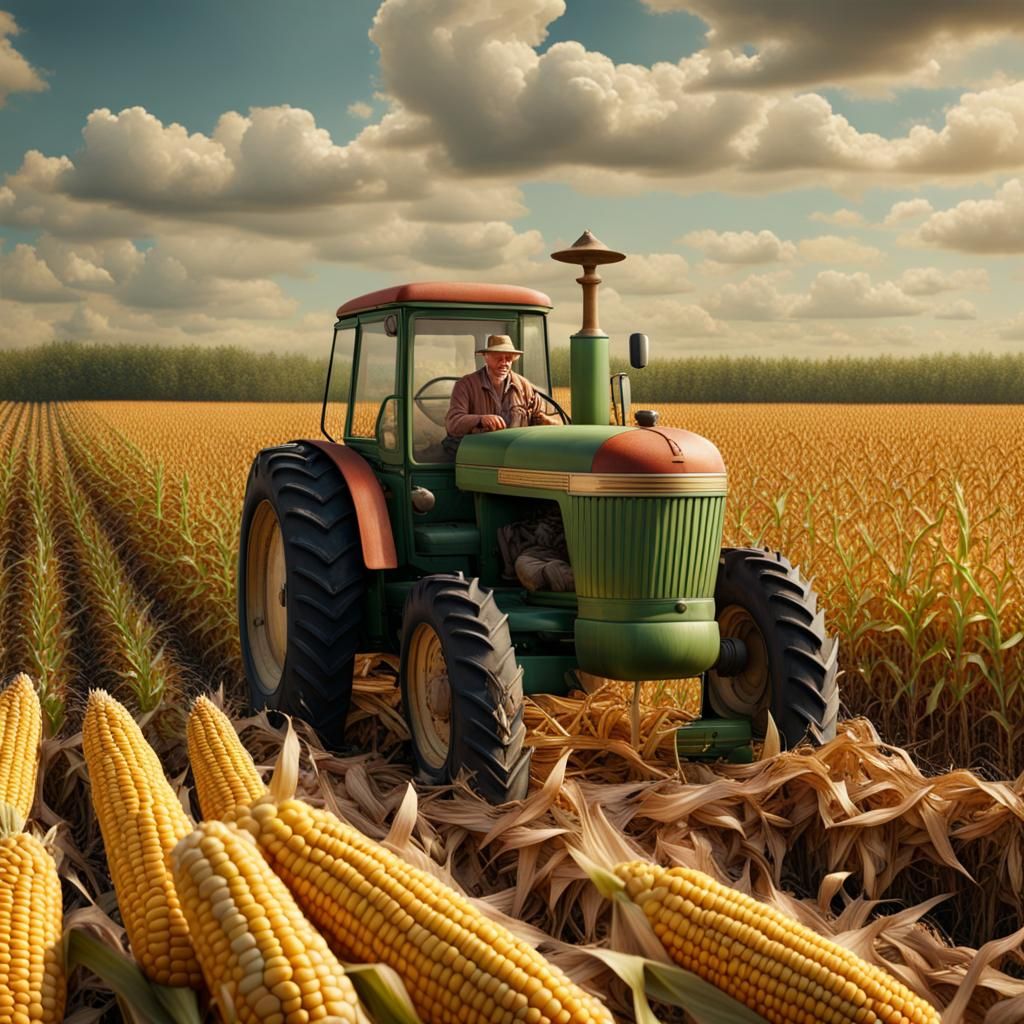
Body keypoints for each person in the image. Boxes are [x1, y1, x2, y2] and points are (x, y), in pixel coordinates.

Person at [444, 334, 560, 443]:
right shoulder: (466, 385)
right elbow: (453, 424)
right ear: (486, 358)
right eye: (498, 357)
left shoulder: (525, 387)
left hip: (517, 453)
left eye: (508, 358)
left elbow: (539, 420)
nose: (504, 362)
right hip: (480, 457)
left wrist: (548, 422)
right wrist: (480, 420)